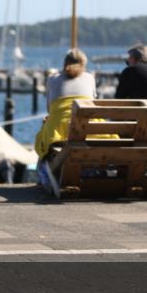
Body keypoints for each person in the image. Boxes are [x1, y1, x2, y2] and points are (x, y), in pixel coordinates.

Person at [34, 49, 96, 196]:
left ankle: (49, 177)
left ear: (64, 63)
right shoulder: (90, 78)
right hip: (91, 130)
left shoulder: (52, 78)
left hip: (60, 131)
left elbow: (50, 108)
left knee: (44, 134)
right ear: (83, 64)